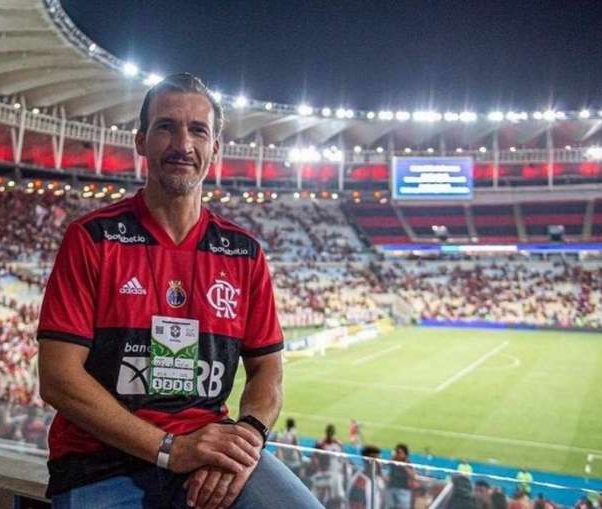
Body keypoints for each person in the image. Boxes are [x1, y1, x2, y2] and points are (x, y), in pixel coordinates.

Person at [37, 73, 322, 509]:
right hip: (101, 464)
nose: (182, 144)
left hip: (211, 460)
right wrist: (170, 448)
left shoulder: (244, 254)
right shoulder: (93, 239)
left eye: (198, 130)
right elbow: (58, 379)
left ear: (216, 149)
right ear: (141, 141)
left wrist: (247, 436)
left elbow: (268, 371)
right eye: (166, 126)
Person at [386, 443, 416, 509]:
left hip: (403, 491)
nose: (397, 454)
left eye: (399, 453)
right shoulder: (393, 461)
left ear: (405, 454)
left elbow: (413, 476)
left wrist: (404, 466)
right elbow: (385, 468)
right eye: (396, 452)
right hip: (391, 489)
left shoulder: (408, 463)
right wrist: (391, 460)